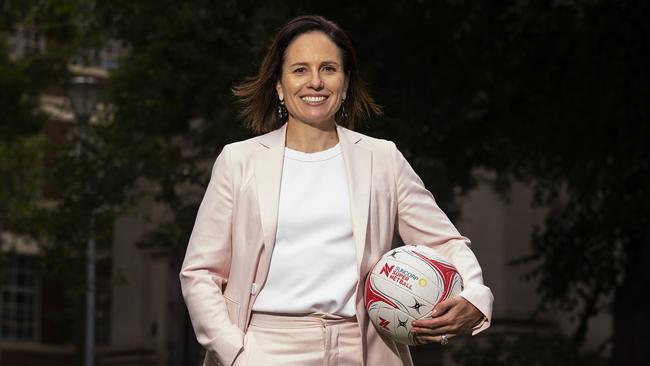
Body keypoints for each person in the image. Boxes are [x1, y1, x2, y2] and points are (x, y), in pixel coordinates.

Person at [179, 15, 493, 366]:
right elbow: (201, 272)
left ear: (345, 84)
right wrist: (235, 351)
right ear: (279, 86)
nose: (315, 82)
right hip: (265, 348)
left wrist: (475, 294)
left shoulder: (382, 158)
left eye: (328, 68)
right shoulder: (238, 161)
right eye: (299, 70)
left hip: (364, 349)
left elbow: (445, 242)